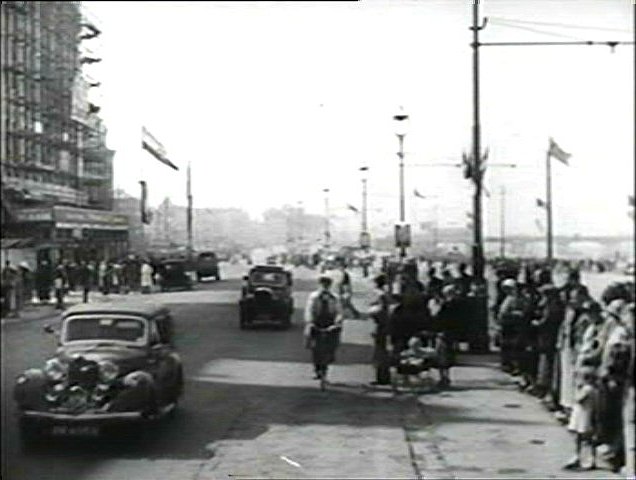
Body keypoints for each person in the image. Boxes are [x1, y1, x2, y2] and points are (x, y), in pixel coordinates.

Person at [303, 275, 344, 380]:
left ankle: (329, 359)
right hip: (317, 322)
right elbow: (309, 310)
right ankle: (317, 369)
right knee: (314, 346)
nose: (324, 287)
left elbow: (339, 311)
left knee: (332, 343)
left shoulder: (335, 297)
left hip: (330, 322)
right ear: (319, 285)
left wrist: (337, 322)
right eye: (323, 285)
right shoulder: (314, 296)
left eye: (327, 285)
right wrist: (310, 322)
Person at [564, 366, 599, 470]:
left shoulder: (587, 389)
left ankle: (586, 458)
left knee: (585, 439)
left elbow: (578, 399)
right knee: (583, 438)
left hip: (583, 417)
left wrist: (577, 389)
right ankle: (580, 457)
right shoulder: (594, 389)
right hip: (583, 416)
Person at [367, 273, 393, 385]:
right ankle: (382, 376)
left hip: (380, 325)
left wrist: (371, 311)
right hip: (382, 324)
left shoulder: (380, 294)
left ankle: (382, 377)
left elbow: (381, 310)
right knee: (381, 350)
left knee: (380, 351)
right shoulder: (384, 294)